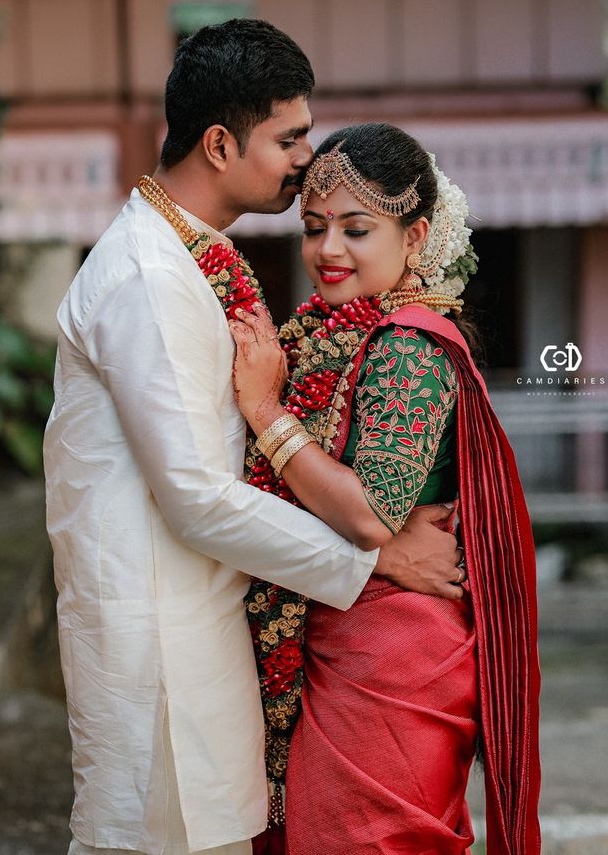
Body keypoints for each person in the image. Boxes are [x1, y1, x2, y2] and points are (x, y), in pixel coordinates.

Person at [43, 22, 467, 855]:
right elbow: (198, 497)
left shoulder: (192, 260)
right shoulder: (150, 279)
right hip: (160, 647)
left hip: (201, 633)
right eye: (289, 138)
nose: (306, 158)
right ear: (218, 143)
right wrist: (378, 557)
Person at [230, 123, 542, 855]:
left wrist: (268, 413)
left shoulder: (406, 345)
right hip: (358, 636)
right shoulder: (337, 333)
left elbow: (370, 514)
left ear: (415, 236)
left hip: (389, 660)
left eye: (356, 228)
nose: (328, 249)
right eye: (314, 227)